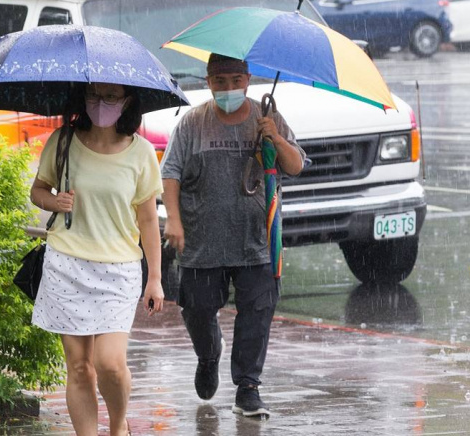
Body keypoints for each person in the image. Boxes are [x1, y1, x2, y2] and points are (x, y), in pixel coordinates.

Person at [160, 54, 306, 418]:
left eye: (236, 80)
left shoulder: (266, 116)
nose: (229, 89)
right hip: (201, 241)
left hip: (256, 240)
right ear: (209, 82)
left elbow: (296, 165)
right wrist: (173, 220)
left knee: (257, 312)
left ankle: (248, 387)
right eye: (220, 81)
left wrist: (275, 137)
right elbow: (171, 173)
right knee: (196, 308)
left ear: (248, 79)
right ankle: (208, 355)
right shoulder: (193, 122)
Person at [30, 82, 165, 436]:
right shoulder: (63, 142)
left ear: (128, 101)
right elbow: (38, 190)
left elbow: (148, 220)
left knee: (110, 364)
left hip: (119, 270)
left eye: (110, 97)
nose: (100, 104)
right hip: (66, 264)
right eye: (93, 96)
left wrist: (155, 278)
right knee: (79, 368)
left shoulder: (141, 153)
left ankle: (119, 426)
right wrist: (53, 202)